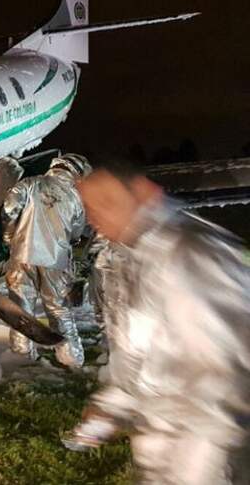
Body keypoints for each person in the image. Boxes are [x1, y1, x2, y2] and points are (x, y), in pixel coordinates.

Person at [66, 164, 250, 484]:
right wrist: (111, 407)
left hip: (208, 451)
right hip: (162, 445)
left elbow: (228, 373)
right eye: (90, 209)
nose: (97, 218)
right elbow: (138, 355)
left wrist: (197, 461)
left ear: (145, 192)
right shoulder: (124, 259)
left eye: (107, 203)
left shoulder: (191, 254)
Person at [1, 153, 91, 368]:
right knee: (59, 309)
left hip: (22, 255)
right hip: (57, 261)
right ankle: (71, 359)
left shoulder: (30, 184)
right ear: (76, 172)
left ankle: (21, 357)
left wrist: (9, 235)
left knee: (21, 309)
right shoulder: (76, 197)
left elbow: (9, 208)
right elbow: (77, 232)